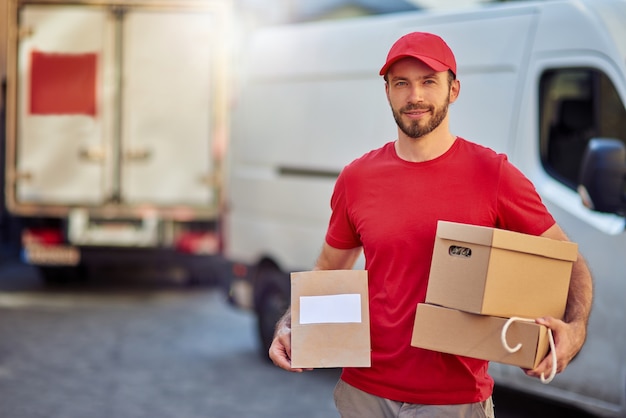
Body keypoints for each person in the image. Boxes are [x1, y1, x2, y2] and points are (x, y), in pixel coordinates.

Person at [269, 31, 593, 418]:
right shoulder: (357, 179)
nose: (415, 96)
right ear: (387, 92)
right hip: (363, 393)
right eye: (401, 83)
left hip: (455, 400)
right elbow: (327, 270)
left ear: (453, 90)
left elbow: (567, 260)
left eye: (428, 82)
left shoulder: (493, 175)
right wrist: (289, 326)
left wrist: (575, 330)